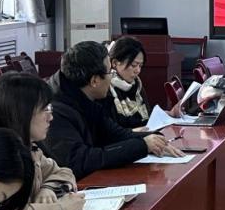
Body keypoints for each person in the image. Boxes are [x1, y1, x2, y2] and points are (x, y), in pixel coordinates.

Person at [45, 41, 182, 180]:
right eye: (110, 72)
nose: (112, 77)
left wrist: (154, 138)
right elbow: (80, 161)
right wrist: (142, 145)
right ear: (94, 81)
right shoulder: (53, 111)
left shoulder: (85, 95)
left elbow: (115, 134)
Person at [0, 71, 86, 210]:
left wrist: (48, 188)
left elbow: (64, 173)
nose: (51, 117)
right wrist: (61, 209)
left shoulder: (30, 148)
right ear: (21, 112)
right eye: (45, 109)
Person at [105, 36, 152, 129]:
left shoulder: (137, 85)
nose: (138, 70)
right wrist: (137, 132)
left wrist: (168, 114)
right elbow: (110, 131)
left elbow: (148, 115)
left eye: (140, 66)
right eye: (133, 65)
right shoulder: (106, 88)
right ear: (114, 63)